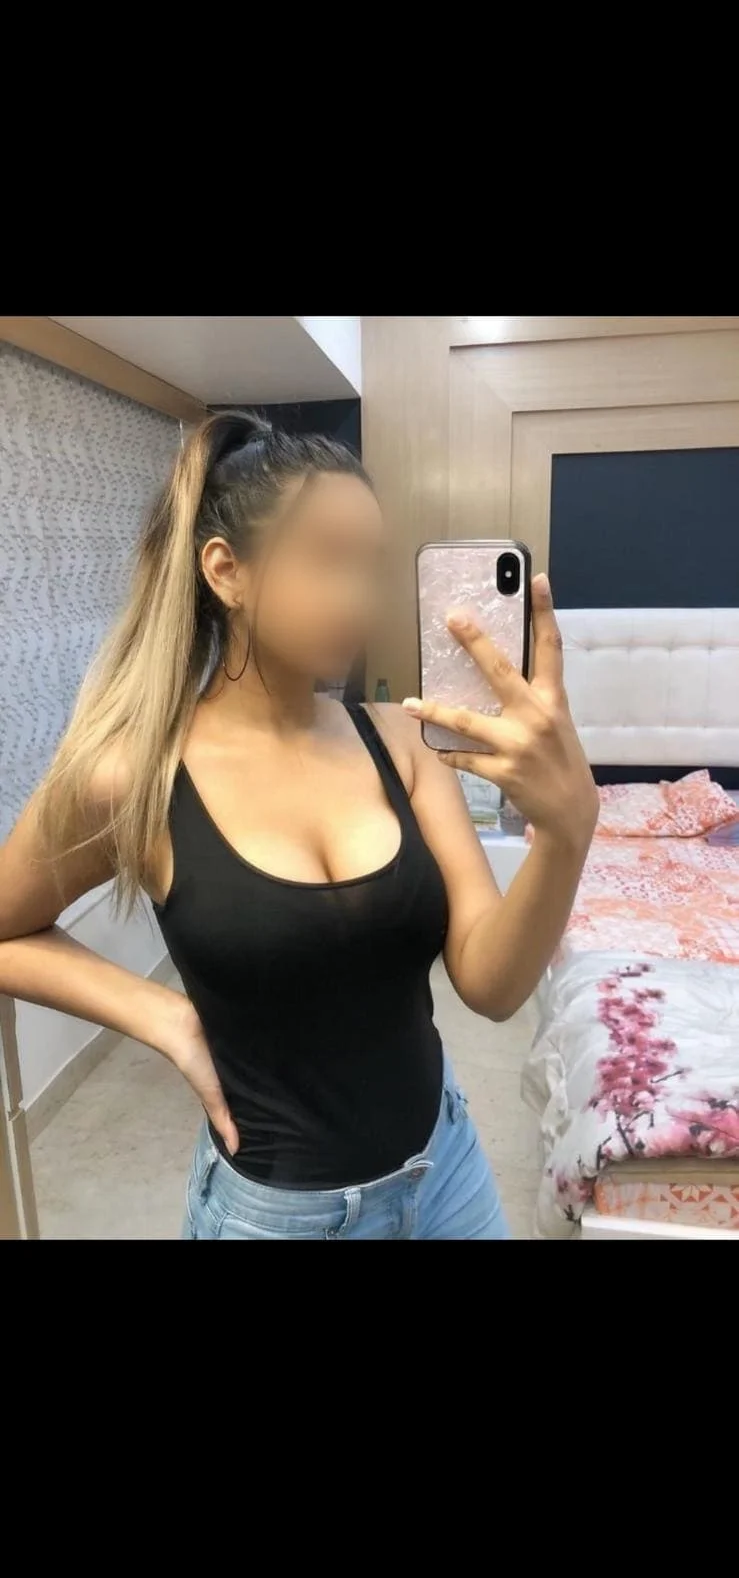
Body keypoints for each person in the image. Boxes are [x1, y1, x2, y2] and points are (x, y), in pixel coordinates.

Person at [0, 412, 598, 1241]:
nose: (358, 598)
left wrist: (567, 832)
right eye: (326, 558)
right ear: (226, 571)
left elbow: (491, 988)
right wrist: (163, 1016)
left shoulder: (402, 741)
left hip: (446, 1172)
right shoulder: (134, 776)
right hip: (278, 1218)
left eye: (368, 565)